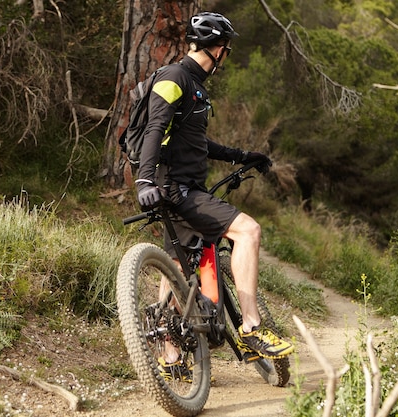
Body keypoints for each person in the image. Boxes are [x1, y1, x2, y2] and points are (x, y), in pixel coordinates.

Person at [134, 12, 294, 372]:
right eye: (227, 49)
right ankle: (252, 327)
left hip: (175, 187)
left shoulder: (193, 85)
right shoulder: (175, 76)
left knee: (176, 263)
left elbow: (196, 142)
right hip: (176, 188)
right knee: (248, 230)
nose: (226, 55)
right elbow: (154, 128)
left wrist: (241, 156)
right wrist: (144, 180)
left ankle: (170, 352)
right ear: (217, 48)